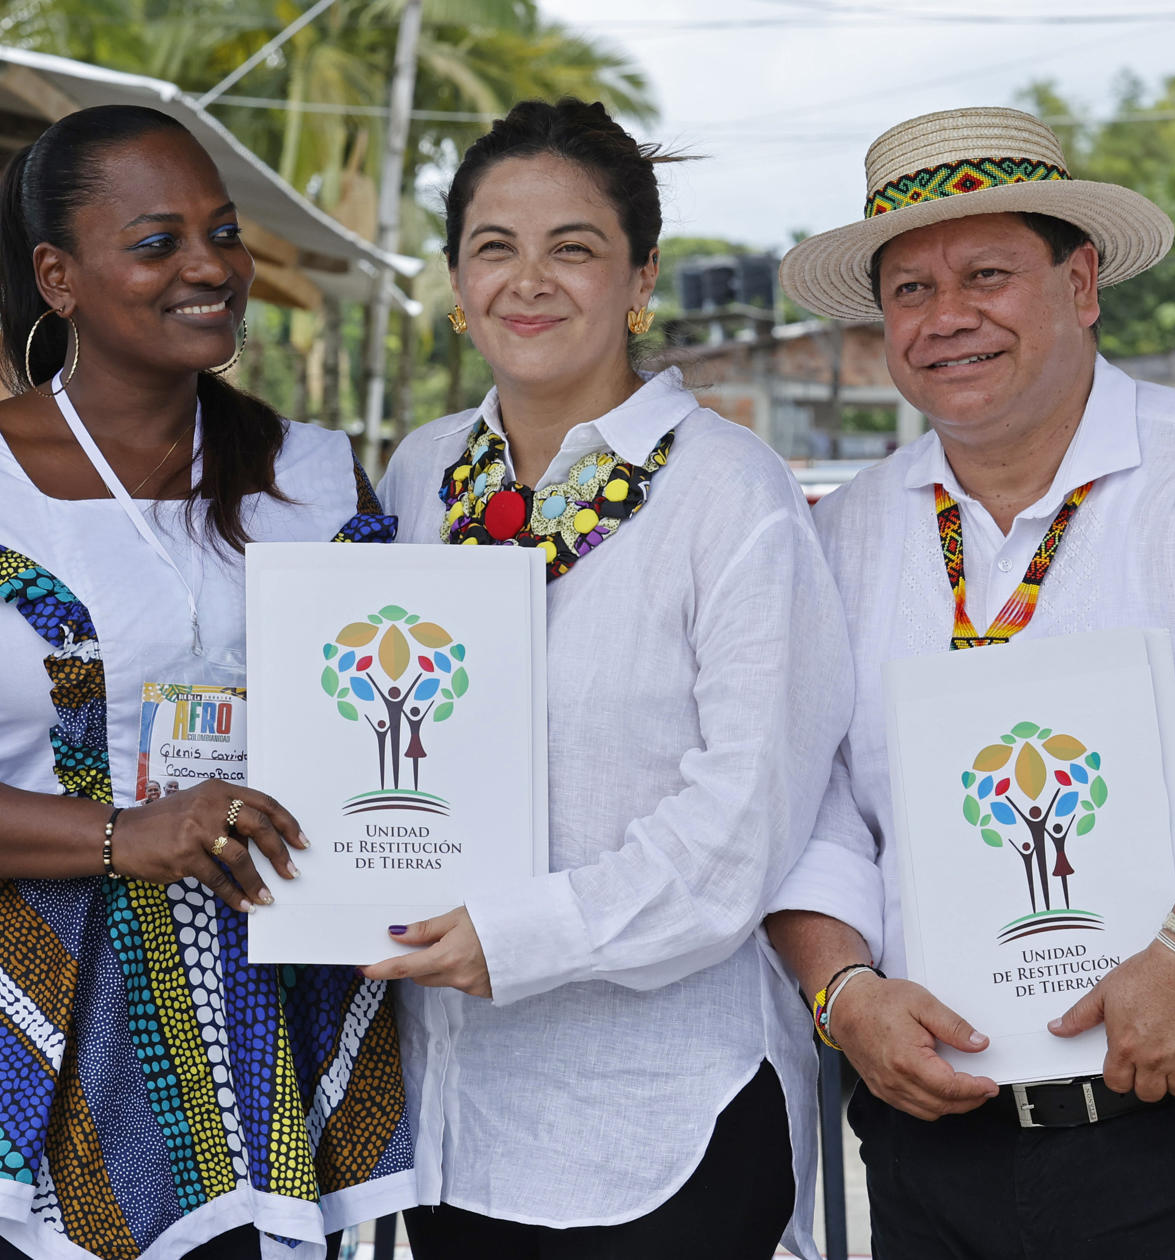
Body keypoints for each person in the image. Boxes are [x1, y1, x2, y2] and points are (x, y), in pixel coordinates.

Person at [765, 107, 1175, 1259]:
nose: (946, 317)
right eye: (909, 290)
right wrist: (844, 992)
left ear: (1083, 280)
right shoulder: (846, 532)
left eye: (987, 274)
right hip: (937, 1145)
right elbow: (808, 800)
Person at [0, 105, 413, 1260]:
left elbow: (403, 710)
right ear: (57, 277)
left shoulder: (318, 476)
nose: (210, 268)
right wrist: (125, 833)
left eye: (224, 235)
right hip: (27, 1032)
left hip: (276, 1022)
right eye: (157, 242)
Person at [366, 98, 854, 1259]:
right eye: (495, 246)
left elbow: (743, 827)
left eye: (571, 248)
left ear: (640, 280)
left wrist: (526, 933)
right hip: (452, 1115)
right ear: (454, 278)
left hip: (660, 1116)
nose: (528, 280)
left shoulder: (730, 495)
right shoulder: (421, 475)